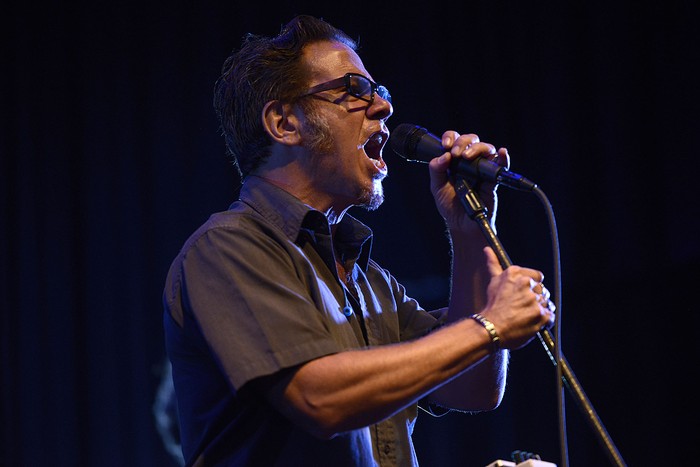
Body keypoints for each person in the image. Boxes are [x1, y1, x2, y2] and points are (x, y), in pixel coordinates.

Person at [163, 14, 555, 467]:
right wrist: (489, 326)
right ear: (284, 123)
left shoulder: (371, 283)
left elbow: (474, 387)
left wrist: (469, 230)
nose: (383, 107)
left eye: (381, 92)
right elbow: (320, 398)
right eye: (355, 89)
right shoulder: (228, 249)